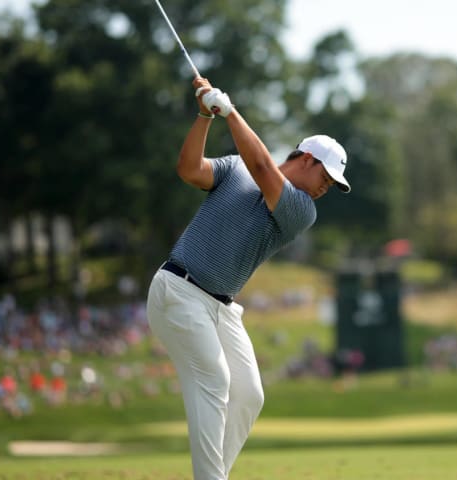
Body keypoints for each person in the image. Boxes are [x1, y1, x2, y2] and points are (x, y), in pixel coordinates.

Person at [146, 76, 350, 480]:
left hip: (220, 307)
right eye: (325, 176)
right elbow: (189, 170)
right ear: (306, 158)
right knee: (215, 379)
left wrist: (230, 111)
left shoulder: (300, 209)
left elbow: (261, 165)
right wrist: (205, 116)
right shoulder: (235, 166)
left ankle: (214, 475)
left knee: (249, 394)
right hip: (179, 290)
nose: (327, 187)